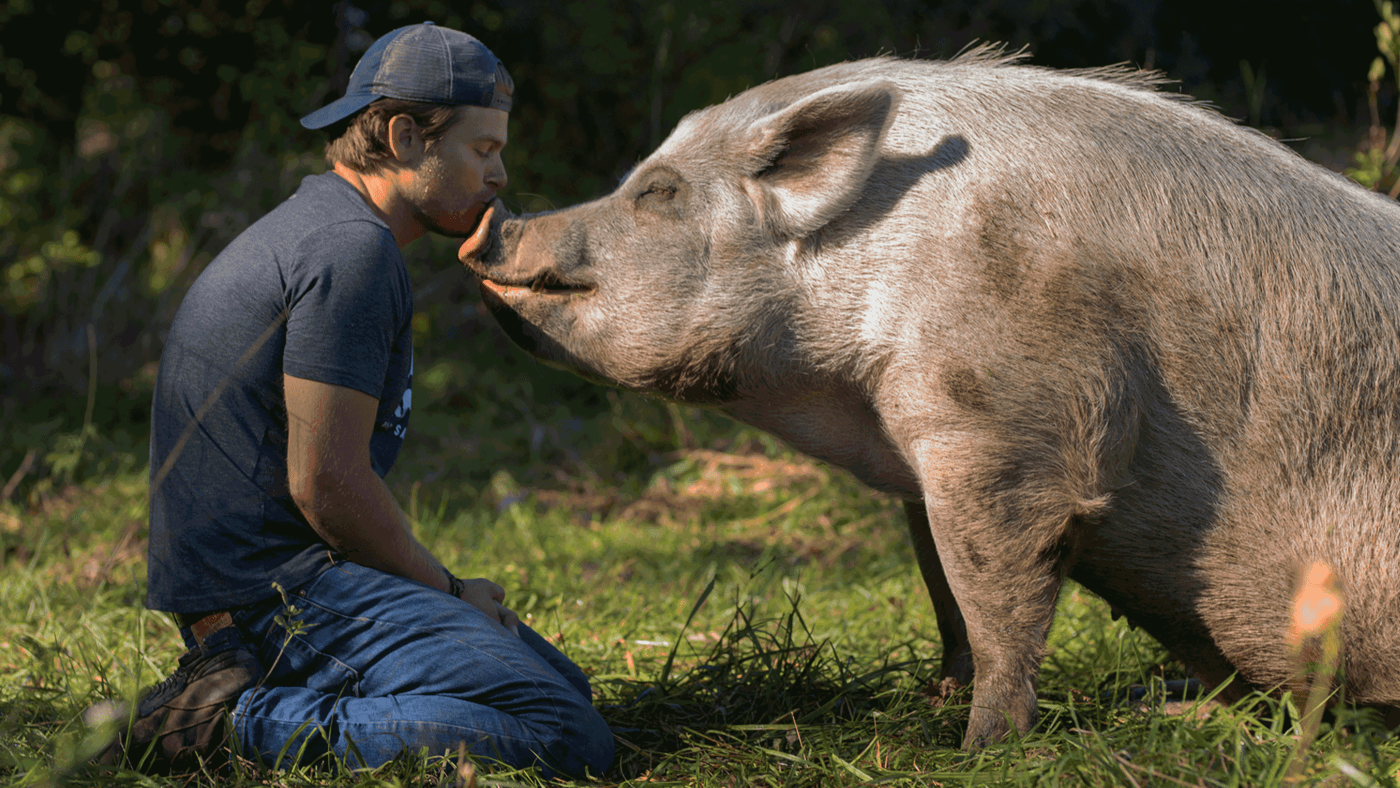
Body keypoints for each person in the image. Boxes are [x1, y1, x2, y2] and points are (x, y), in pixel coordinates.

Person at [85, 22, 614, 778]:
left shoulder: (329, 229)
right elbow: (326, 484)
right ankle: (226, 722)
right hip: (276, 600)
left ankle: (245, 691)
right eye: (483, 150)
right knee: (566, 734)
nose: (500, 175)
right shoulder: (351, 251)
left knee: (568, 690)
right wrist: (455, 592)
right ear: (404, 138)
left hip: (270, 588)